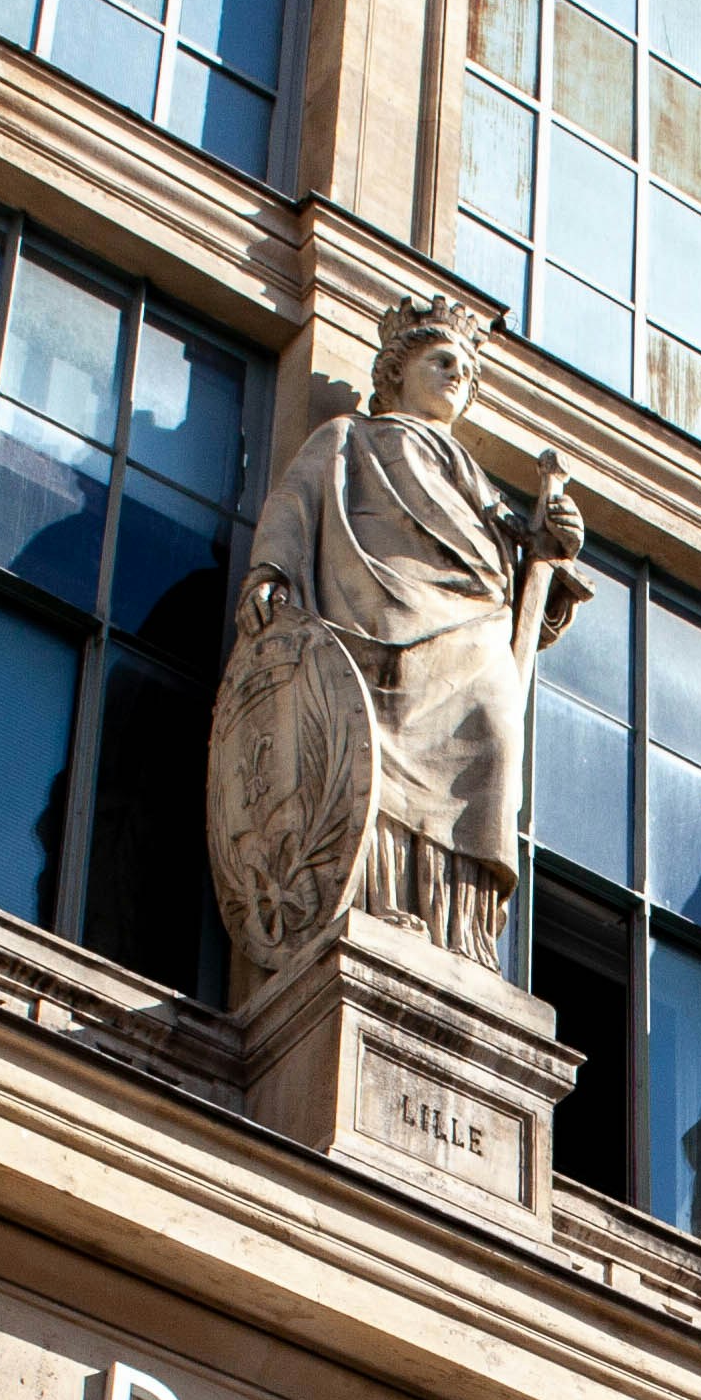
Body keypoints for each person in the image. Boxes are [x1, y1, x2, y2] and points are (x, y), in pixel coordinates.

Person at [234, 292, 590, 959]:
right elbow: (295, 504)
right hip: (376, 618)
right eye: (442, 360)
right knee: (373, 760)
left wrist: (551, 545)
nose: (458, 375)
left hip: (474, 642)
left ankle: (460, 930)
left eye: (468, 371)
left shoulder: (480, 486)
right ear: (397, 370)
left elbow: (523, 596)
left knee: (491, 749)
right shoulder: (350, 439)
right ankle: (379, 901)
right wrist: (269, 573)